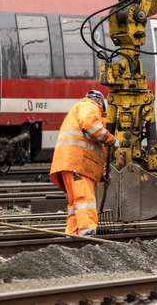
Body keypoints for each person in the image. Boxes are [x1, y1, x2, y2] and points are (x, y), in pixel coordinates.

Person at [49, 89, 117, 236]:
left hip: (70, 163)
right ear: (100, 103)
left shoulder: (79, 108)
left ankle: (72, 233)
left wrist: (103, 172)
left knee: (75, 202)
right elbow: (90, 124)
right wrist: (110, 138)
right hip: (78, 163)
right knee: (84, 198)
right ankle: (87, 230)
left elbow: (96, 149)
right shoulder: (89, 105)